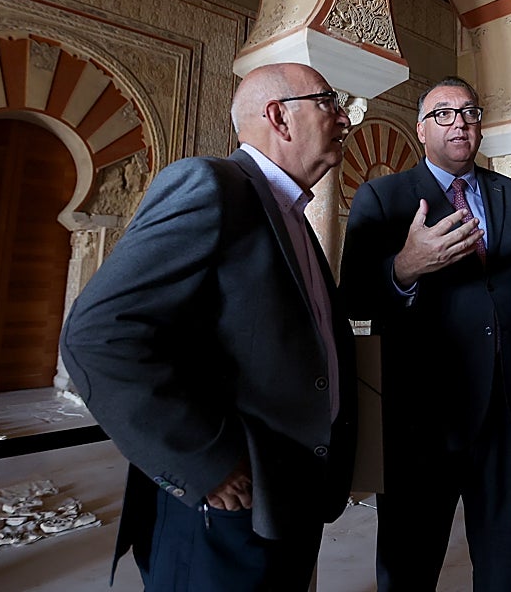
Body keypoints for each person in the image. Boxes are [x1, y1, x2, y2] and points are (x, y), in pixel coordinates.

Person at [59, 63, 357, 591]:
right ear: (279, 117)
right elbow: (98, 334)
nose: (344, 118)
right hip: (225, 508)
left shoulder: (291, 214)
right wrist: (207, 462)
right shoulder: (213, 185)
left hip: (288, 496)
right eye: (328, 101)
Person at [340, 76, 511, 592]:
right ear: (421, 130)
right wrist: (404, 267)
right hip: (420, 420)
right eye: (443, 114)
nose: (459, 123)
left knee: (505, 560)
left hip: (505, 413)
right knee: (410, 561)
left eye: (469, 112)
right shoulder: (383, 197)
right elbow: (354, 297)